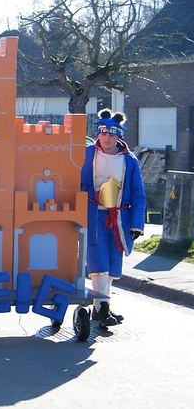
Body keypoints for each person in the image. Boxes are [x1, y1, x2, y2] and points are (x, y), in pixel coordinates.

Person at [81, 109, 146, 328]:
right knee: (98, 261)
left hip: (119, 218)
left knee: (113, 263)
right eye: (103, 133)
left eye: (111, 134)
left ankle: (102, 306)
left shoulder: (130, 161)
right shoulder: (87, 155)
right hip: (93, 216)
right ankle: (102, 308)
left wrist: (137, 223)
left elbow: (138, 193)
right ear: (98, 134)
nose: (106, 138)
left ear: (119, 135)